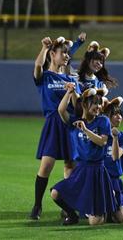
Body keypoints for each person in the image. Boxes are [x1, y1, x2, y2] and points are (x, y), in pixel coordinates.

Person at [30, 36, 81, 220]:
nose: (67, 56)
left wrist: (73, 91)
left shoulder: (69, 78)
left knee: (70, 165)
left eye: (68, 53)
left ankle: (67, 205)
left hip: (68, 123)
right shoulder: (45, 76)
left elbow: (77, 108)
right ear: (53, 54)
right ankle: (37, 205)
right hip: (53, 123)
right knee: (46, 165)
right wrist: (44, 48)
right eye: (63, 53)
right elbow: (37, 67)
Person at [51, 87, 116, 225]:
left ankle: (106, 208)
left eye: (100, 103)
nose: (98, 107)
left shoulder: (103, 121)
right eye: (95, 103)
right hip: (81, 169)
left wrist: (85, 130)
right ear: (85, 104)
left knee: (95, 222)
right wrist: (69, 92)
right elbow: (61, 110)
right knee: (55, 193)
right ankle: (72, 215)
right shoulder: (75, 121)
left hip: (97, 171)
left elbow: (102, 141)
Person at [102, 96, 123, 223]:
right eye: (115, 114)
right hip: (101, 181)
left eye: (120, 114)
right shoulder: (99, 136)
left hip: (115, 182)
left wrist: (114, 138)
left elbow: (115, 156)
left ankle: (110, 208)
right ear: (107, 117)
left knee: (122, 218)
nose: (119, 117)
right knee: (96, 220)